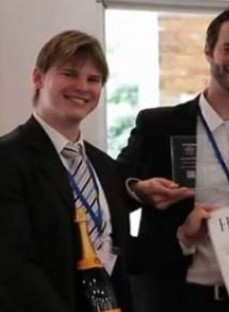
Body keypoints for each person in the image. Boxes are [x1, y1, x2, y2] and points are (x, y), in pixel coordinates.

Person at [117, 6, 229, 312]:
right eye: (228, 49)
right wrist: (139, 189)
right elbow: (114, 186)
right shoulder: (161, 126)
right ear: (209, 51)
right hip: (183, 298)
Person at [0, 30, 134, 312]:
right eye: (70, 74)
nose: (83, 87)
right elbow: (13, 265)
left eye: (93, 79)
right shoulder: (8, 158)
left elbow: (115, 251)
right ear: (38, 78)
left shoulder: (105, 167)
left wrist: (184, 237)